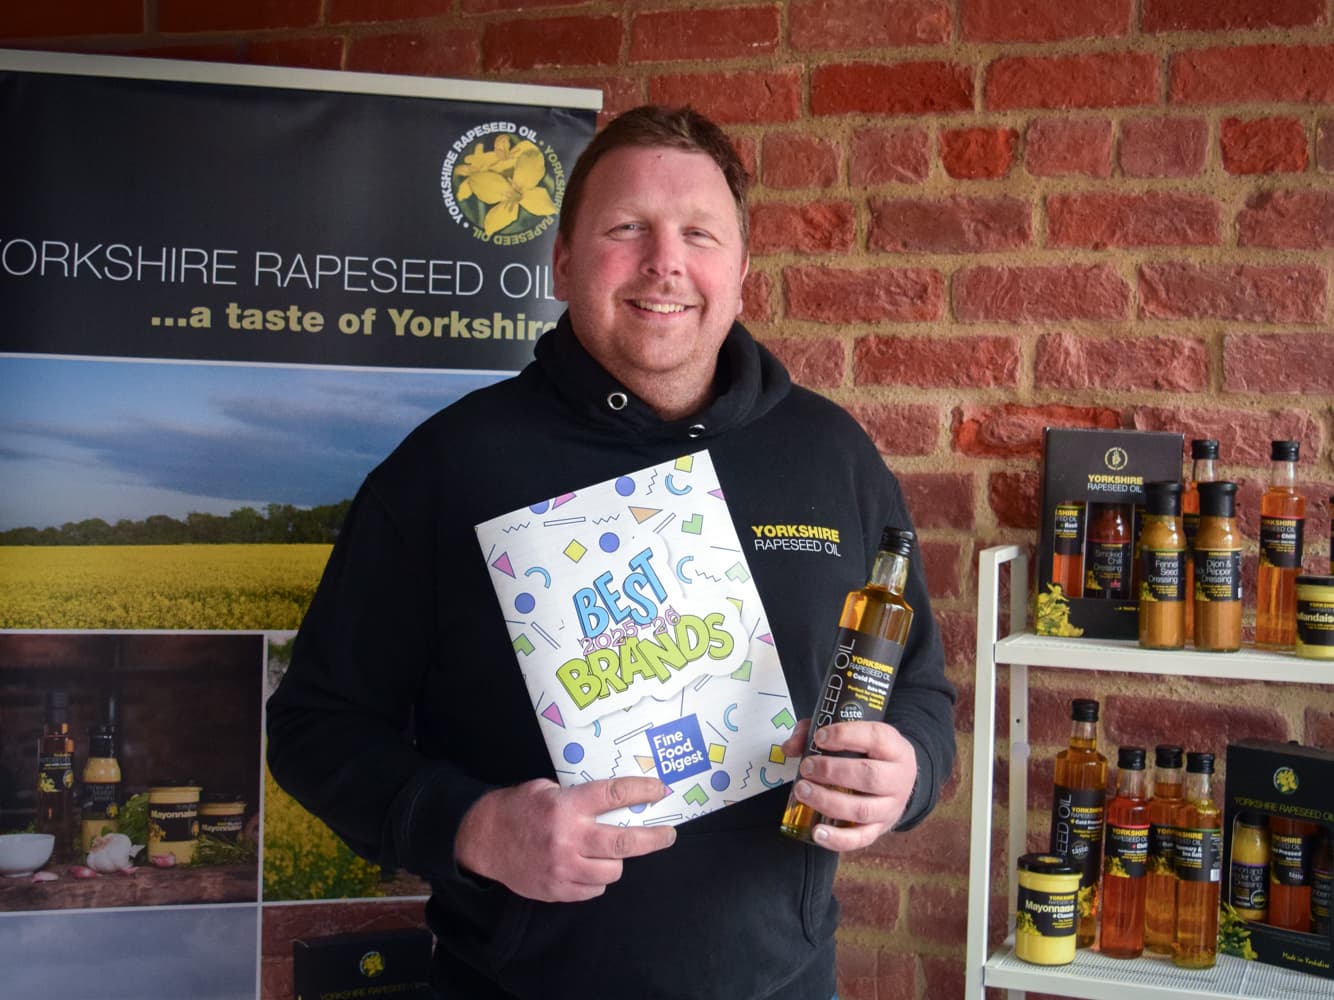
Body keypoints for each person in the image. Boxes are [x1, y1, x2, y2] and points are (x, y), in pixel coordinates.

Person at [266, 104, 956, 1000]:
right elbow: (314, 727)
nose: (665, 262)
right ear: (561, 260)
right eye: (626, 228)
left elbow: (922, 687)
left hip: (784, 981)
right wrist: (474, 827)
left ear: (741, 271)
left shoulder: (831, 456)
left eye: (698, 234)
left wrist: (907, 774)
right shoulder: (448, 468)